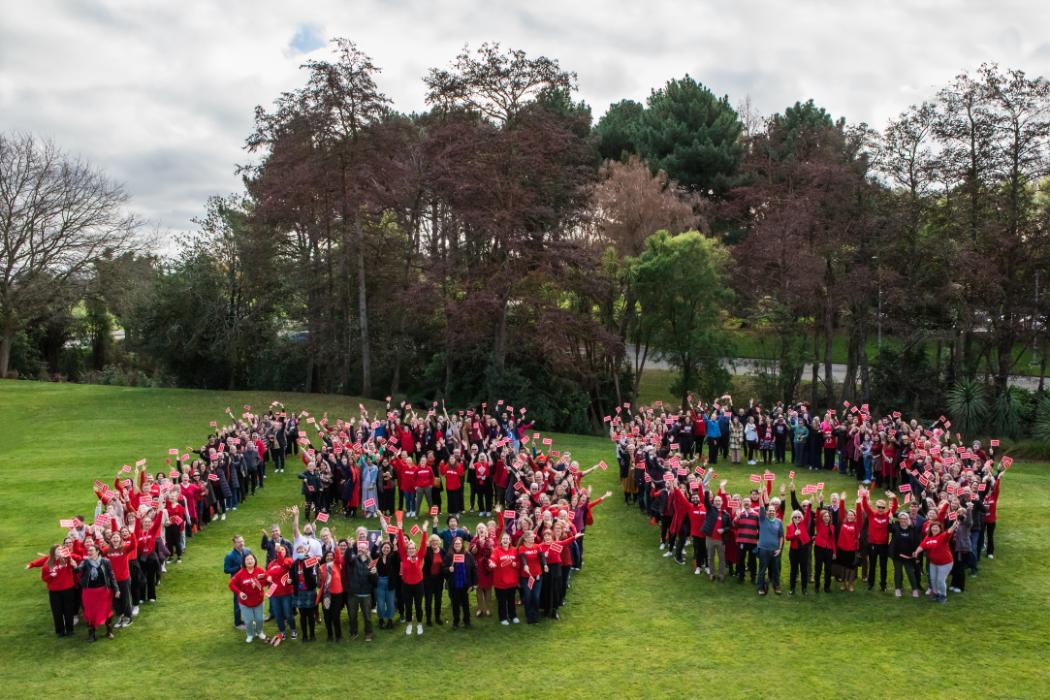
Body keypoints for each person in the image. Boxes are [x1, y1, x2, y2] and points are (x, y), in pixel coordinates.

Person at [914, 517, 959, 604]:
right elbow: (922, 545)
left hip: (945, 563)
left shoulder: (942, 537)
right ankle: (936, 593)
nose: (934, 529)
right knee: (933, 579)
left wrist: (953, 526)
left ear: (940, 529)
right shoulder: (928, 537)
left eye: (936, 527)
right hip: (933, 563)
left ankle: (943, 595)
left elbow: (948, 532)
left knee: (940, 580)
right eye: (933, 527)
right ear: (930, 528)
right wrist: (916, 552)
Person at [79, 543, 118, 641]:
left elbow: (111, 576)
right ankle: (91, 635)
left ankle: (109, 632)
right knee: (90, 613)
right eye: (88, 551)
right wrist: (73, 565)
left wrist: (116, 589)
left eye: (91, 550)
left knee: (106, 611)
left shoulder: (105, 561)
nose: (89, 552)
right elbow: (77, 570)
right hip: (89, 593)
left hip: (103, 592)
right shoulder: (85, 562)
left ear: (97, 551)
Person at [40, 545, 79, 637]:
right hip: (54, 592)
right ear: (53, 551)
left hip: (68, 589)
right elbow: (44, 578)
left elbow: (77, 560)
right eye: (59, 549)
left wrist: (71, 559)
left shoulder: (67, 560)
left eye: (61, 549)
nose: (61, 550)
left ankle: (70, 630)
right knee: (57, 611)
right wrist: (51, 576)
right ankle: (60, 631)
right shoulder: (47, 565)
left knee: (69, 610)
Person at [228, 552, 267, 643]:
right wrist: (239, 592)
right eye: (247, 559)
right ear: (244, 562)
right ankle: (250, 634)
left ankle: (259, 632)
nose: (250, 561)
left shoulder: (260, 571)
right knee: (249, 621)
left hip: (258, 601)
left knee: (259, 619)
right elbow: (231, 584)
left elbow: (266, 582)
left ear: (255, 560)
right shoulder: (241, 573)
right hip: (245, 603)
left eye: (251, 559)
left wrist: (259, 583)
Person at [343, 540, 377, 642]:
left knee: (367, 616)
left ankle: (368, 633)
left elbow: (375, 582)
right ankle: (353, 633)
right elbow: (347, 557)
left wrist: (374, 574)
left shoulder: (371, 563)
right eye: (360, 548)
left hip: (366, 594)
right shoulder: (353, 561)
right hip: (353, 594)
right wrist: (349, 548)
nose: (361, 549)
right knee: (352, 616)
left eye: (364, 548)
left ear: (367, 550)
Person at [443, 537, 477, 629]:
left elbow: (474, 569)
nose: (457, 545)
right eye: (456, 544)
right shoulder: (449, 556)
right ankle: (456, 622)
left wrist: (474, 583)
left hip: (465, 584)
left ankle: (467, 621)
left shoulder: (468, 555)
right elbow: (443, 569)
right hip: (454, 585)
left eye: (459, 543)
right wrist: (448, 569)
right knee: (455, 604)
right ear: (453, 545)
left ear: (462, 545)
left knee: (466, 604)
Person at [755, 488, 784, 596]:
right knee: (762, 570)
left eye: (773, 510)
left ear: (775, 512)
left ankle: (776, 586)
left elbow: (781, 536)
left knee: (776, 570)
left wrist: (779, 549)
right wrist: (761, 494)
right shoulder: (762, 519)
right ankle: (760, 588)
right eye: (769, 510)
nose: (771, 511)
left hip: (775, 551)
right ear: (767, 512)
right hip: (763, 550)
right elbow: (762, 506)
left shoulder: (779, 522)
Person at [223, 535, 250, 629]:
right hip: (237, 583)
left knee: (248, 600)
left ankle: (247, 619)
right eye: (238, 542)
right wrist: (238, 567)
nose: (241, 543)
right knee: (238, 602)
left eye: (242, 541)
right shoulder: (229, 556)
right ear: (234, 543)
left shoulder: (247, 551)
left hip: (248, 580)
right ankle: (237, 623)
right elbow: (226, 570)